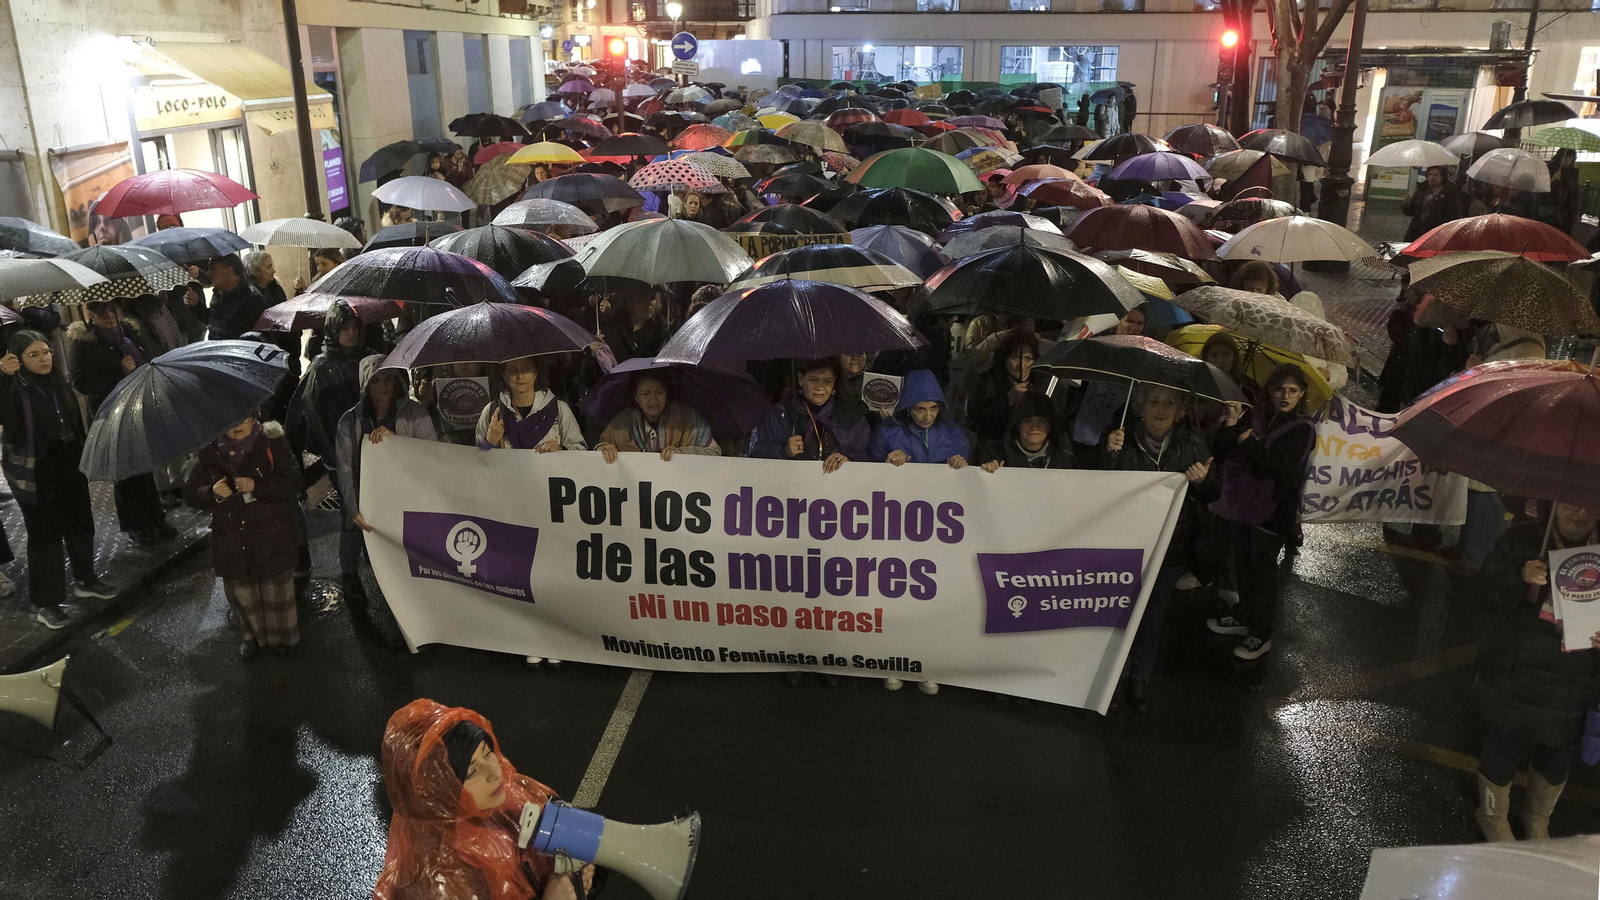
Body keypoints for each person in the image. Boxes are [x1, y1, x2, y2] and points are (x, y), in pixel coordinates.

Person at [374, 699, 594, 900]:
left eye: (488, 753)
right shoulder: (438, 880)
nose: (495, 773)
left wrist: (575, 878)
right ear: (440, 791)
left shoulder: (507, 800)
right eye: (472, 772)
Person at [1470, 502, 1600, 842]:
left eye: (1592, 507)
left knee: (1559, 751)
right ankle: (1492, 817)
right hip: (1518, 670)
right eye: (1571, 504)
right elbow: (1482, 597)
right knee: (1506, 742)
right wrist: (1519, 576)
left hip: (1576, 676)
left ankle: (1537, 817)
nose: (1581, 515)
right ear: (1553, 502)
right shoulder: (1521, 539)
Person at [1098, 384, 1216, 711]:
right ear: (1140, 408)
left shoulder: (1193, 443)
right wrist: (1108, 454)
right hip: (1126, 543)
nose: (1161, 409)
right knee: (1117, 610)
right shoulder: (1119, 438)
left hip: (1170, 547)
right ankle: (1112, 676)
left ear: (1179, 411)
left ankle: (1140, 677)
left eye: (1169, 403)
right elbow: (1099, 487)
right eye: (1154, 401)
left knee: (1151, 614)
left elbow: (1212, 493)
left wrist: (1203, 481)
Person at [0, 331, 117, 628]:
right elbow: (8, 423)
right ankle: (47, 603)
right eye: (33, 355)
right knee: (45, 538)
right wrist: (4, 379)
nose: (43, 359)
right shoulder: (14, 389)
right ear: (18, 359)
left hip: (68, 464)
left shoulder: (57, 381)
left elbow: (74, 420)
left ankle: (86, 580)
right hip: (38, 473)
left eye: (46, 352)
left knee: (81, 524)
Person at [1205, 364, 1316, 661]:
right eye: (1279, 389)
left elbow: (1277, 468)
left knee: (1262, 572)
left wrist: (1246, 439)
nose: (1285, 396)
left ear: (1302, 394)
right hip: (1242, 505)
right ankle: (1245, 616)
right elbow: (1222, 449)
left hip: (1273, 513)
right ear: (1270, 390)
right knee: (1243, 565)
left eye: (1292, 390)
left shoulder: (1303, 428)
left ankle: (1261, 633)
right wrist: (1231, 422)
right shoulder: (1257, 416)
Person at [183, 412, 305, 659]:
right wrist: (211, 492)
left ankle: (280, 638)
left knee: (274, 588)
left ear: (255, 416)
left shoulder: (272, 441)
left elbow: (294, 481)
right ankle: (252, 639)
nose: (237, 426)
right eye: (230, 421)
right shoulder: (209, 452)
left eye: (244, 419)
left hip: (271, 533)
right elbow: (189, 494)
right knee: (243, 591)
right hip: (231, 536)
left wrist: (257, 486)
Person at [67, 300, 177, 545]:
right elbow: (82, 382)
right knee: (125, 470)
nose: (109, 315)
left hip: (138, 405)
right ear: (90, 314)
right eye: (101, 311)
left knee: (145, 465)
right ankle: (136, 525)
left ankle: (155, 517)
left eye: (113, 309)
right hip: (112, 412)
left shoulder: (129, 332)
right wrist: (118, 371)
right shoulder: (83, 343)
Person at [336, 356, 437, 600]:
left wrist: (397, 443)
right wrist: (353, 507)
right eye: (376, 381)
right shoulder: (350, 421)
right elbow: (345, 468)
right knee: (352, 529)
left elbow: (433, 454)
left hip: (404, 493)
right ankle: (350, 575)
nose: (383, 386)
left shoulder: (415, 414)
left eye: (388, 379)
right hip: (366, 492)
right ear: (365, 385)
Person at [748, 357, 870, 474]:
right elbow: (756, 456)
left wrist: (849, 462)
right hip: (790, 485)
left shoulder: (852, 415)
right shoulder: (781, 415)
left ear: (835, 381)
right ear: (800, 379)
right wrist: (784, 451)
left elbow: (868, 458)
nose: (820, 387)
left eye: (827, 381)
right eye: (813, 380)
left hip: (838, 486)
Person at [594, 371, 719, 462]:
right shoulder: (621, 423)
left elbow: (714, 452)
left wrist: (682, 453)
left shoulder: (687, 417)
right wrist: (604, 449)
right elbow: (599, 450)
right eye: (646, 394)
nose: (653, 399)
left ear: (667, 393)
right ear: (636, 397)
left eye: (659, 392)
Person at [475, 357, 586, 453]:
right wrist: (489, 442)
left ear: (536, 372)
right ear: (504, 376)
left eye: (526, 369)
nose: (520, 376)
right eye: (513, 370)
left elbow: (580, 450)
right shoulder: (492, 412)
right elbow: (477, 458)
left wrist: (561, 449)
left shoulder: (558, 408)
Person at [969, 330, 1051, 445]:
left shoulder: (1045, 381)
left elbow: (1057, 423)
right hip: (995, 446)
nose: (1022, 365)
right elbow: (976, 422)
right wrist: (1007, 400)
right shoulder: (986, 379)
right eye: (1015, 357)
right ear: (1004, 358)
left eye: (1028, 358)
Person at [976, 391, 1076, 472]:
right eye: (1028, 420)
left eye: (1042, 421)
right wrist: (988, 472)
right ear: (1018, 425)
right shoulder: (995, 455)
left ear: (1050, 427)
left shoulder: (1066, 460)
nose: (1035, 427)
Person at [205, 254, 269, 342]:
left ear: (230, 270)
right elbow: (217, 324)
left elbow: (261, 339)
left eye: (213, 268)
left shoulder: (251, 299)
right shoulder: (218, 294)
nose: (208, 273)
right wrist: (196, 305)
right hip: (218, 349)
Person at [1402, 165, 1464, 242]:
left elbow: (1454, 213)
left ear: (1443, 177)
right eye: (1430, 174)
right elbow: (1410, 212)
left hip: (1437, 233)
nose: (1431, 177)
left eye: (1435, 175)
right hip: (1416, 232)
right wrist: (1406, 204)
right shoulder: (1422, 189)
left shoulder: (1449, 191)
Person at [601, 294, 666, 364]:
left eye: (653, 298)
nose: (649, 302)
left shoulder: (660, 334)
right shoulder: (613, 330)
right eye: (643, 296)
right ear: (629, 301)